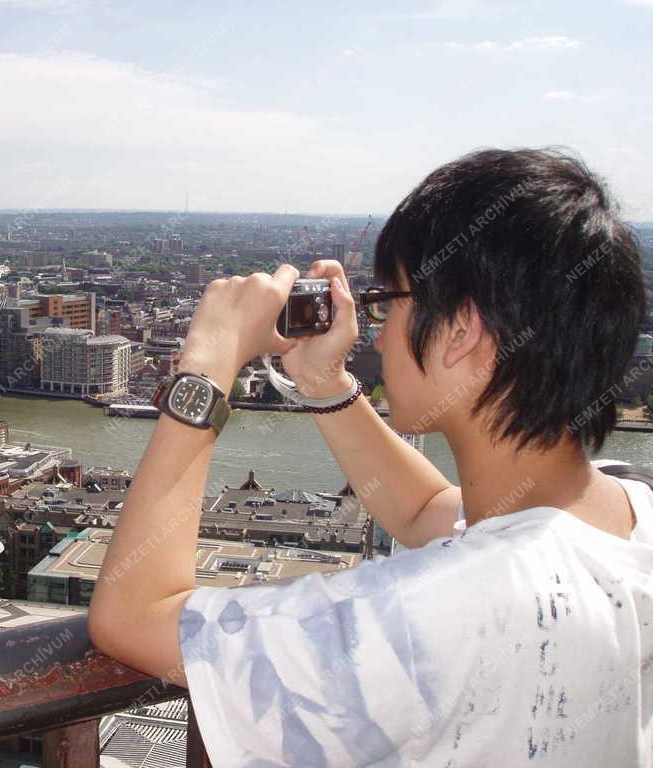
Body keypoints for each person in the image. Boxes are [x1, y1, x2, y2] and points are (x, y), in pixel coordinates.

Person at [89, 148, 651, 767]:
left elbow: (132, 619)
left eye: (390, 302)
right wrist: (325, 383)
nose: (377, 333)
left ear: (460, 333)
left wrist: (209, 366)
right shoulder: (628, 514)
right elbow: (429, 511)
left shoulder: (436, 613)